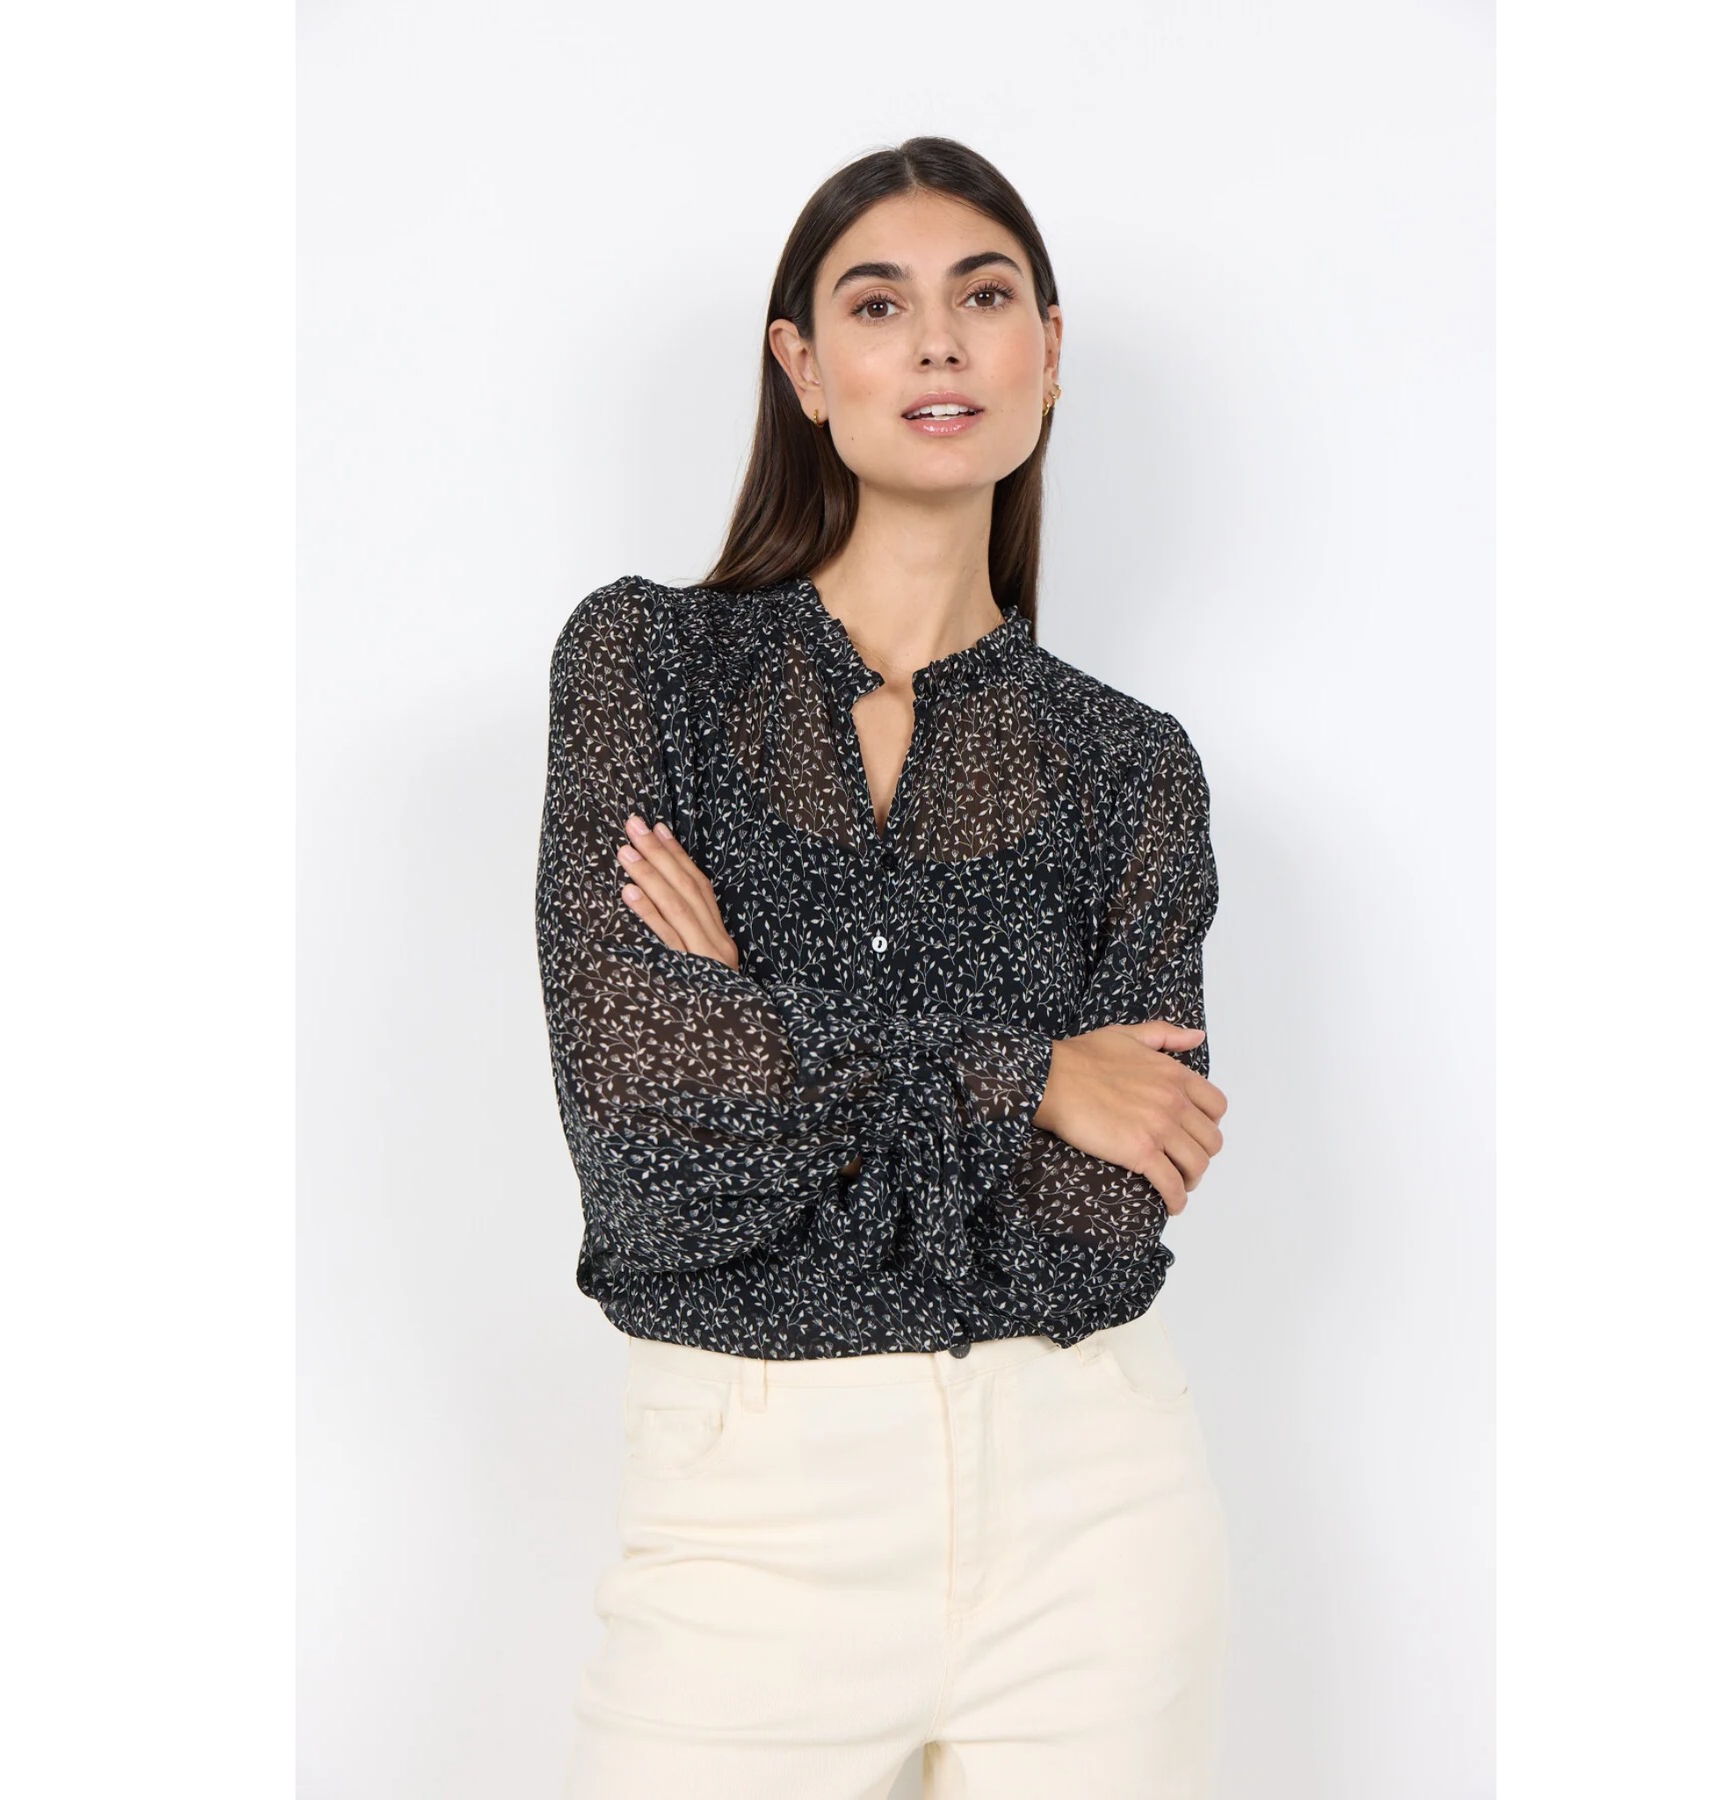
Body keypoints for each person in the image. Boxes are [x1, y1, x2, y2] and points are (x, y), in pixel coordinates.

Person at [536, 136, 1231, 1800]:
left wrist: (757, 1024)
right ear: (802, 366)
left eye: (983, 298)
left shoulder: (1133, 768)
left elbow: (1103, 1212)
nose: (936, 341)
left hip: (1094, 1505)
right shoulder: (649, 662)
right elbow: (641, 1114)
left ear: (1045, 353)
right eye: (877, 304)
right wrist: (1031, 1074)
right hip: (748, 1514)